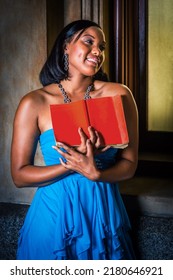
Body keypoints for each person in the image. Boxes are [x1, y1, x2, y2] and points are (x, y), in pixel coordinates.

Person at [11, 19, 138, 260]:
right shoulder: (34, 102)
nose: (97, 52)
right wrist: (73, 163)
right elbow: (19, 175)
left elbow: (129, 164)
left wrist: (97, 174)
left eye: (102, 47)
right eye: (89, 42)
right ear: (66, 46)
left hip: (103, 216)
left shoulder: (118, 94)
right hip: (52, 216)